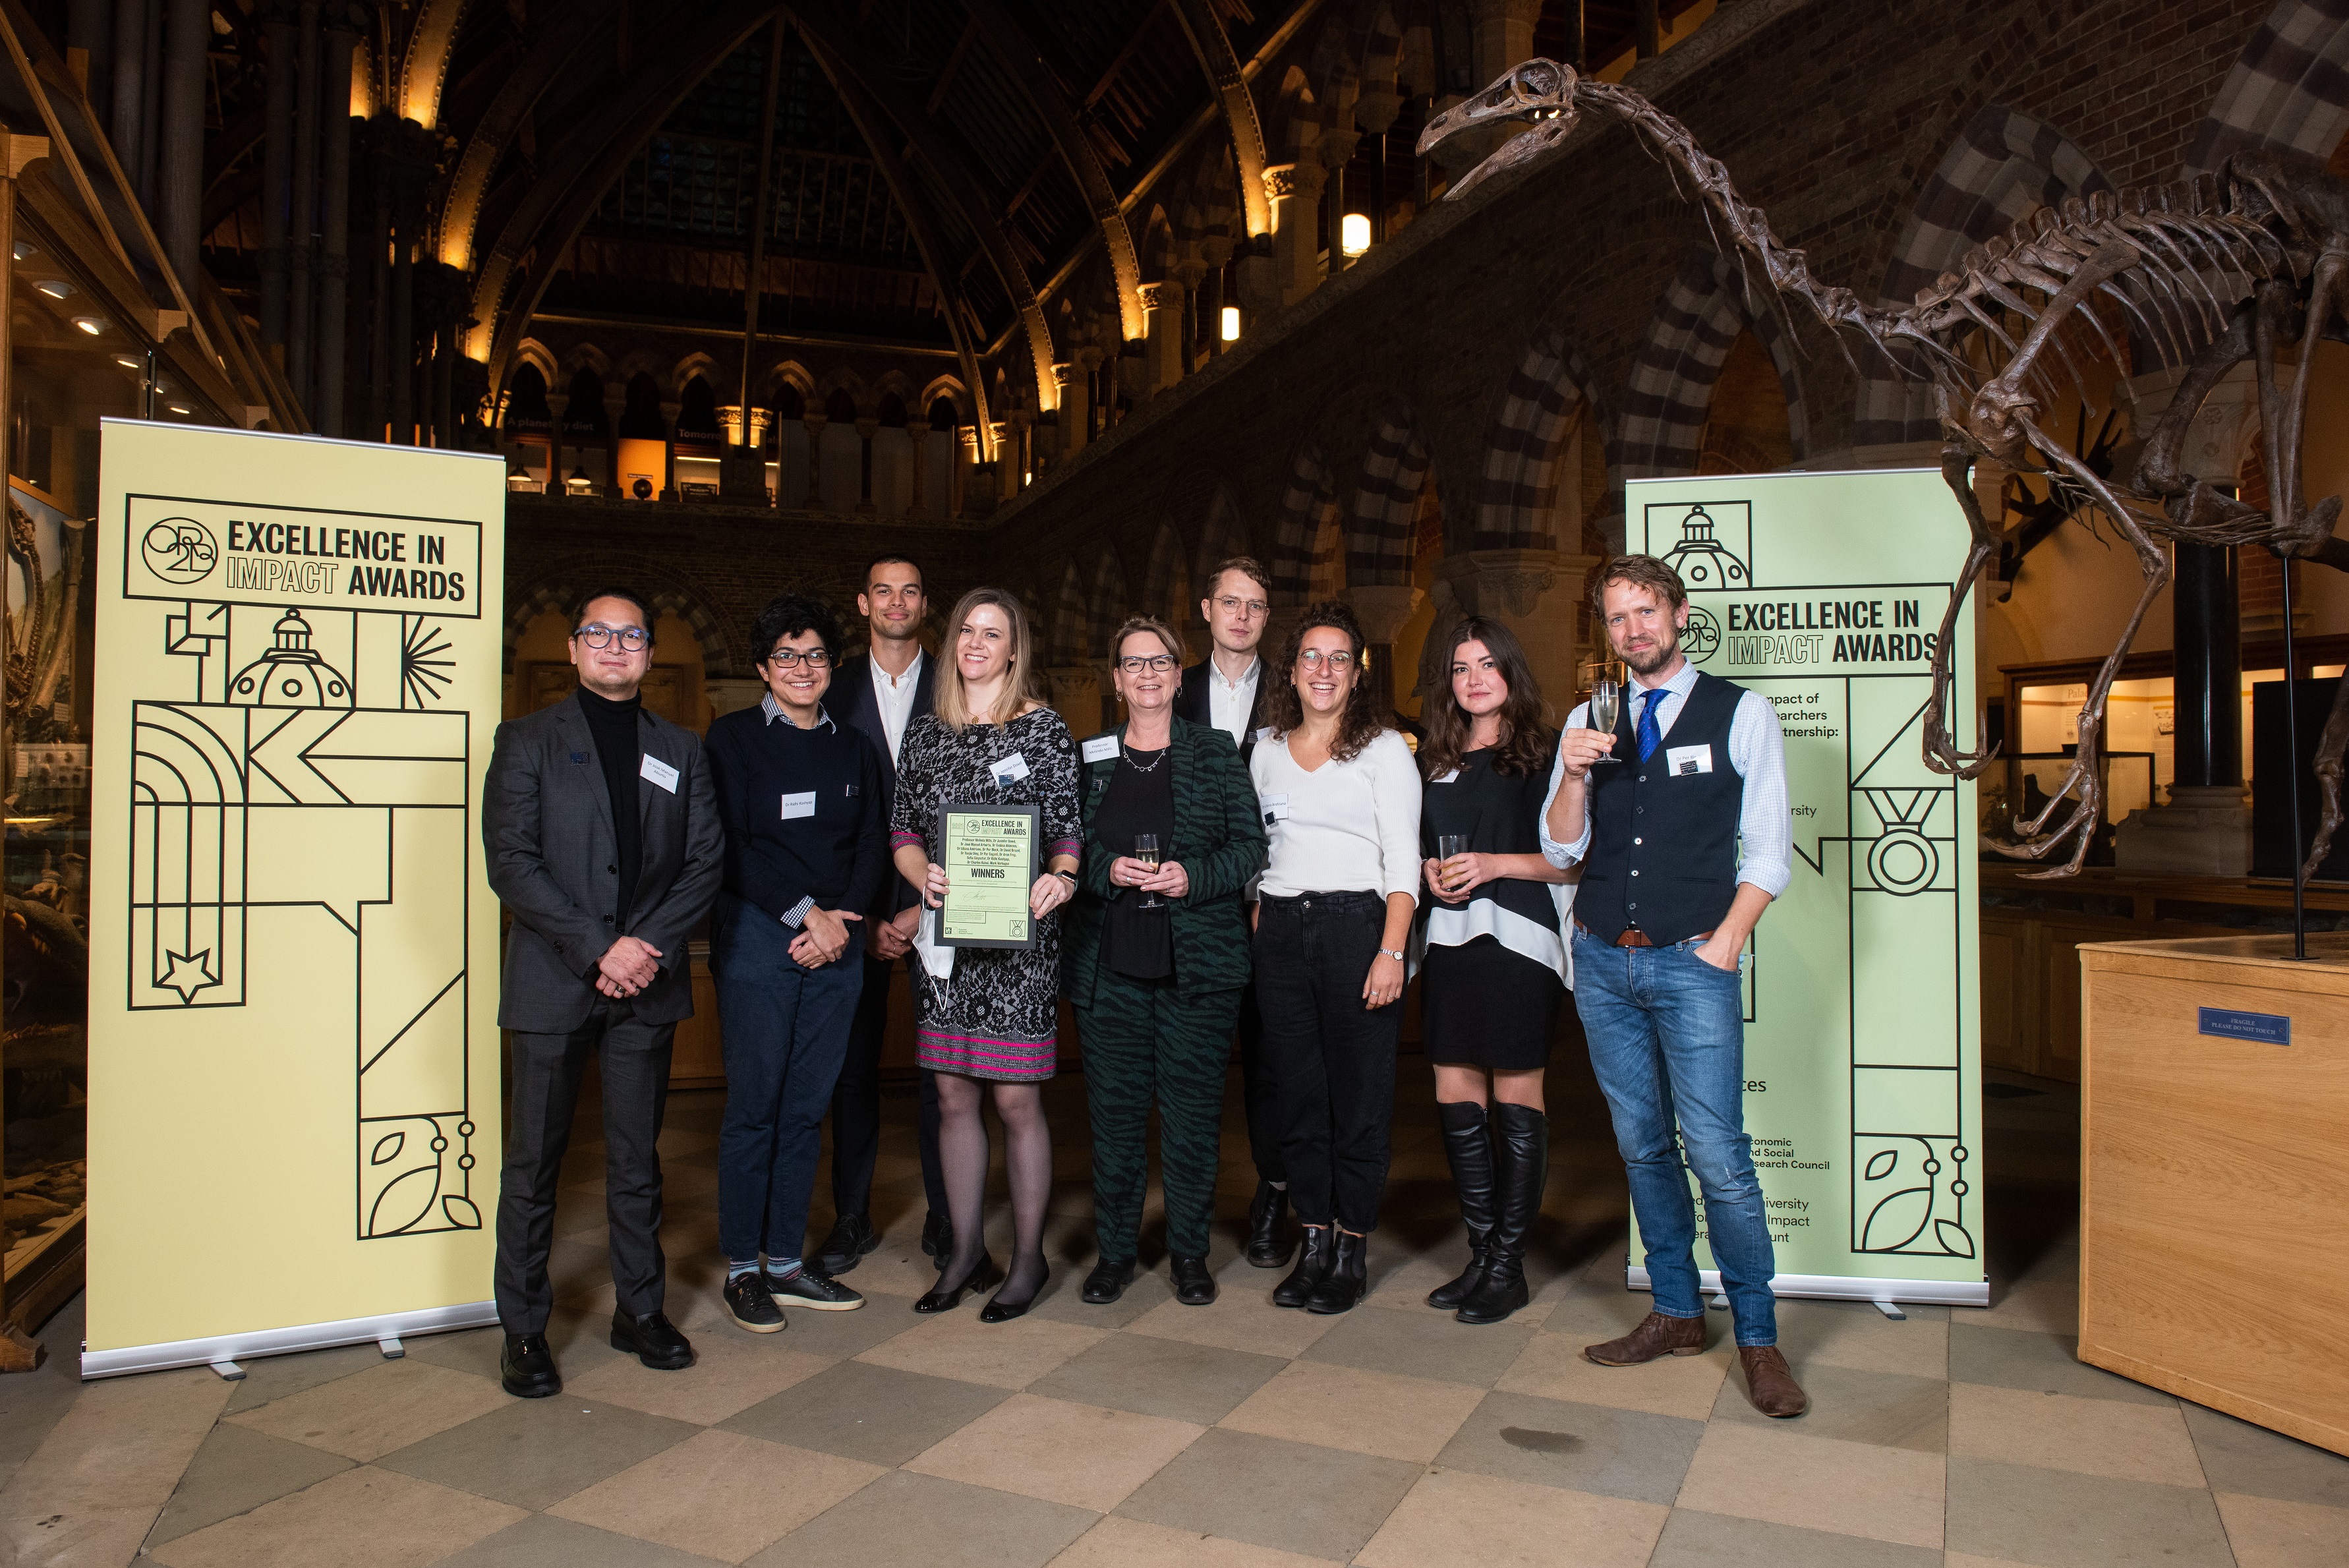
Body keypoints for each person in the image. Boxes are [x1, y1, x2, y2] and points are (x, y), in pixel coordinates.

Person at [1540, 554, 1807, 1418]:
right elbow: (1564, 848)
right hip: (1602, 965)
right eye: (1617, 617)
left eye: (1646, 611)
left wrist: (1726, 942)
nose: (1634, 629)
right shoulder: (1589, 717)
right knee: (1643, 1147)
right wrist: (1575, 771)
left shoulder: (1742, 711)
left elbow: (1769, 845)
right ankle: (1676, 1311)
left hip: (1693, 959)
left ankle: (1761, 1339)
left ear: (1680, 614)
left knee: (1721, 1156)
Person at [482, 587, 722, 1399]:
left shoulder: (682, 749)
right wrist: (599, 949)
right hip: (554, 981)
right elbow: (511, 862)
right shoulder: (526, 741)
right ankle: (523, 1330)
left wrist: (644, 949)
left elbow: (704, 864)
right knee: (534, 1163)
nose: (616, 647)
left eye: (632, 636)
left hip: (645, 985)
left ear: (650, 654)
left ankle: (640, 1311)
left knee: (635, 1161)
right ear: (576, 649)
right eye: (600, 634)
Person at [890, 588, 1082, 1321]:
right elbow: (903, 829)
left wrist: (1060, 880)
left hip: (1019, 943)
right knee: (951, 1095)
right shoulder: (928, 732)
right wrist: (920, 877)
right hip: (946, 940)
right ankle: (967, 1251)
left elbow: (1067, 830)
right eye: (966, 629)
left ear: (1013, 648)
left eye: (992, 633)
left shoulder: (1042, 730)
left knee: (1014, 1096)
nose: (975, 643)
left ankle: (1028, 1258)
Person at [1066, 618, 1268, 1307]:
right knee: (1116, 1123)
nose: (1147, 674)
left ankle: (1189, 1254)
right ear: (1116, 679)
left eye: (1160, 663)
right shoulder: (1088, 757)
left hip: (1198, 972)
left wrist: (1193, 876)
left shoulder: (1214, 753)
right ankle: (1116, 1255)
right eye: (1133, 664)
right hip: (1109, 968)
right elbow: (1063, 847)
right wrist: (1103, 868)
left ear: (1179, 677)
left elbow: (1249, 848)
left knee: (1190, 1121)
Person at [705, 595, 887, 1333]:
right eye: (786, 655)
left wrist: (837, 919)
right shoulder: (732, 739)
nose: (802, 668)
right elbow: (732, 846)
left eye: (814, 655)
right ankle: (742, 1268)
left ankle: (785, 1261)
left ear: (831, 665)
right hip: (759, 942)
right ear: (762, 667)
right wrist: (803, 913)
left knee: (808, 1109)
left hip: (837, 944)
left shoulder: (854, 747)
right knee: (756, 1110)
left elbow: (875, 841)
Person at [1249, 600, 1421, 1314]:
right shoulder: (1263, 748)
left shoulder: (1383, 749)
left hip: (1360, 928)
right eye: (1311, 657)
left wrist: (1391, 951)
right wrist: (1261, 908)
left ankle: (1350, 1248)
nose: (1324, 670)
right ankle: (1311, 1241)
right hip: (1284, 933)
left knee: (1359, 1099)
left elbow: (1404, 866)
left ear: (1357, 672)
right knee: (1299, 1098)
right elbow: (1260, 849)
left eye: (1339, 658)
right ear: (1291, 670)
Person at [1415, 618, 1575, 1325]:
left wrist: (1493, 865)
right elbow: (1425, 845)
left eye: (1486, 664)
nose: (1473, 678)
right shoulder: (1438, 760)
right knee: (1453, 1086)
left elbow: (1572, 858)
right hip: (1449, 939)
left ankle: (1508, 1267)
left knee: (1515, 1090)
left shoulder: (1546, 754)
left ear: (1511, 670)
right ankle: (1482, 1254)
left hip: (1519, 939)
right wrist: (1429, 871)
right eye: (1459, 668)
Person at [814, 554, 952, 1277]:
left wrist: (915, 912)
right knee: (850, 1074)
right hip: (855, 915)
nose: (897, 601)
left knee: (944, 1074)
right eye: (883, 591)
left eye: (910, 589)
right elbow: (831, 827)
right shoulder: (828, 693)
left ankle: (945, 1212)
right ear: (863, 603)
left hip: (942, 908)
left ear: (925, 603)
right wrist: (869, 916)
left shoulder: (960, 688)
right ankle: (851, 1217)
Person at [1173, 556, 1292, 1267]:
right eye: (1230, 602)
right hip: (1196, 908)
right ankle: (1188, 1210)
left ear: (1265, 617)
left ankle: (1274, 1197)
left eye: (1255, 605)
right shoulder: (1173, 688)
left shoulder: (1294, 687)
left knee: (1272, 1063)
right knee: (1194, 1065)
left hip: (1272, 903)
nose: (1242, 615)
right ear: (1207, 609)